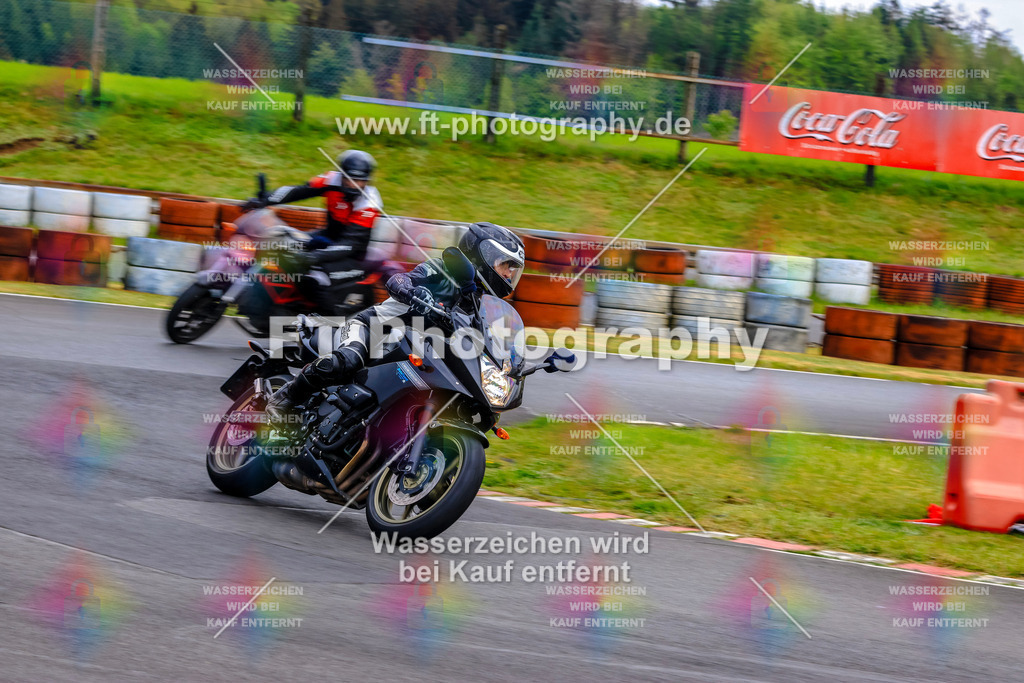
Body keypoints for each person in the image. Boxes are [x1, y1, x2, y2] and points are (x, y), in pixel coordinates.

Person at [266, 222, 525, 423]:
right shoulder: (441, 270)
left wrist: (519, 361)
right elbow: (400, 280)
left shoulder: (476, 306)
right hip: (373, 330)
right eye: (507, 264)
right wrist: (412, 290)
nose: (510, 273)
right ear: (483, 256)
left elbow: (485, 344)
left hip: (410, 353)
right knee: (348, 360)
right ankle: (286, 396)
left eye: (515, 268)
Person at [243, 150, 383, 313]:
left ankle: (334, 324)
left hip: (351, 253)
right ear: (341, 175)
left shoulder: (370, 203)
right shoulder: (332, 179)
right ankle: (279, 304)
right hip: (327, 238)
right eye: (349, 179)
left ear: (367, 181)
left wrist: (314, 257)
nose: (353, 185)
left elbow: (350, 245)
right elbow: (300, 190)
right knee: (279, 240)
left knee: (316, 275)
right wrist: (265, 199)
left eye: (359, 181)